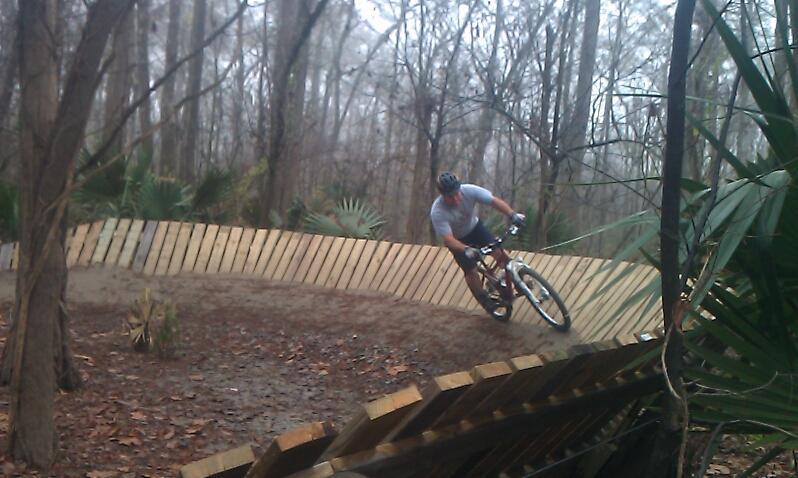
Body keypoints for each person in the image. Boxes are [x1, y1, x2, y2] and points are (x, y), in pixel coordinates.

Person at [429, 172, 525, 312]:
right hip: (457, 240)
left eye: (457, 194)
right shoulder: (438, 211)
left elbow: (494, 201)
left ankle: (518, 283)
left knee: (500, 254)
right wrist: (466, 249)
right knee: (471, 270)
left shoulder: (469, 190)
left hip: (475, 229)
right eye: (450, 197)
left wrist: (512, 214)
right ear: (443, 196)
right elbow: (448, 239)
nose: (456, 199)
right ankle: (484, 300)